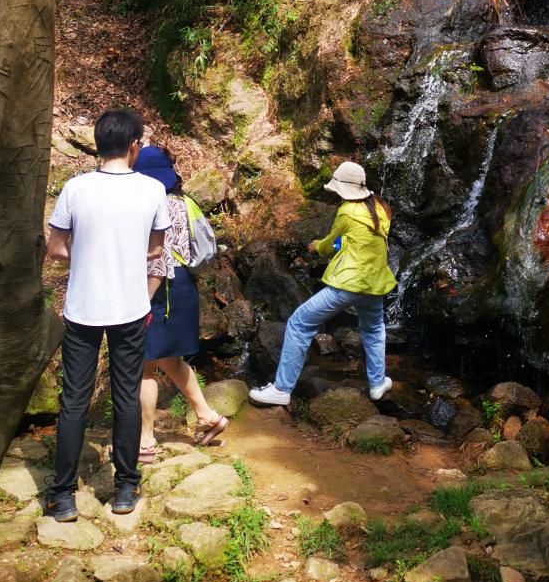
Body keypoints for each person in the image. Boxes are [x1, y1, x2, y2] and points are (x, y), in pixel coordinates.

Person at [45, 109, 171, 521]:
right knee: (126, 395)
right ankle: (125, 488)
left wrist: (84, 253)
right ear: (134, 145)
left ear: (99, 144)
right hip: (130, 307)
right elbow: (155, 249)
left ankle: (62, 496)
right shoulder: (153, 190)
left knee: (74, 401)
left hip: (82, 308)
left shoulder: (75, 189)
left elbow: (56, 248)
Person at [249, 161, 395, 407]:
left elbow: (329, 244)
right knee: (373, 330)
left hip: (348, 284)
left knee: (299, 323)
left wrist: (317, 246)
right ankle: (378, 384)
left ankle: (282, 389)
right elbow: (359, 241)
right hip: (375, 283)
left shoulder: (347, 210)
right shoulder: (380, 208)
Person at [132, 144, 227, 455]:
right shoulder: (187, 204)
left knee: (143, 364)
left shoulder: (146, 204)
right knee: (169, 359)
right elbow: (206, 249)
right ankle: (207, 416)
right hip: (183, 284)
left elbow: (146, 256)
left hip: (156, 286)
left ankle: (145, 440)